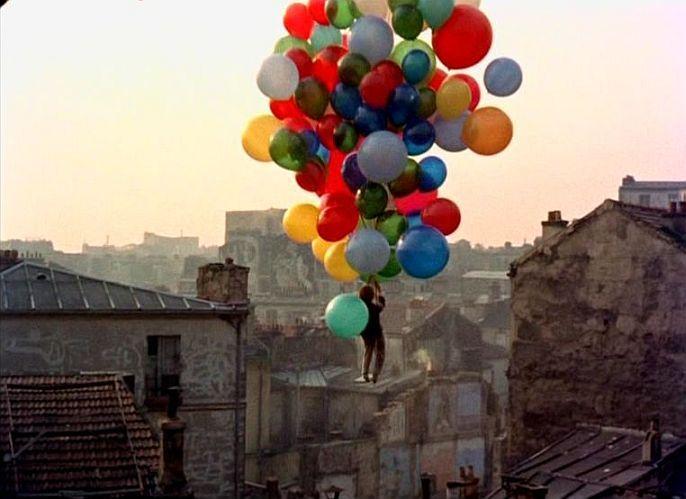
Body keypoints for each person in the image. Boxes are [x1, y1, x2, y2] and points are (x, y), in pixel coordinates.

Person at [358, 278, 386, 383]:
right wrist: (378, 291)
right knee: (380, 354)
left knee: (368, 351)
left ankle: (364, 373)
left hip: (365, 333)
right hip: (376, 332)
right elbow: (382, 305)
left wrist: (368, 284)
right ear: (371, 296)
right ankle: (375, 375)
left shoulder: (360, 308)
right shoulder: (373, 307)